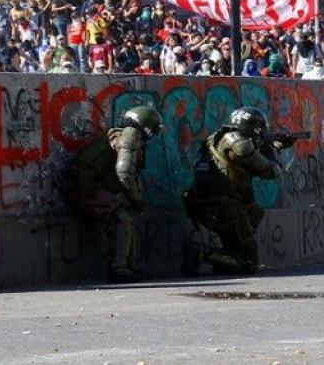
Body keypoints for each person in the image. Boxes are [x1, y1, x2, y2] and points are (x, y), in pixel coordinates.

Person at [183, 107, 289, 275]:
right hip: (222, 205)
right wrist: (272, 149)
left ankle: (224, 261)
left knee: (254, 213)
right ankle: (206, 255)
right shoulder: (239, 143)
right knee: (249, 262)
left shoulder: (219, 137)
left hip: (212, 202)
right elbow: (270, 171)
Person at [64, 106, 163, 283]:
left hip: (87, 187)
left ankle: (128, 267)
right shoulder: (129, 136)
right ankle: (121, 269)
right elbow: (124, 171)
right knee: (123, 219)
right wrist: (134, 198)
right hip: (85, 190)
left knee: (126, 216)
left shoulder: (122, 134)